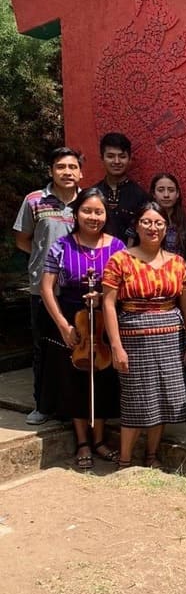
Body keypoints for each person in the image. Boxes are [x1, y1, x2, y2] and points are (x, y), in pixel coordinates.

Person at [102, 201, 186, 469]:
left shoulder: (178, 263)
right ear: (137, 225)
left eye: (158, 223)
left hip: (171, 339)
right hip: (133, 340)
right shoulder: (120, 259)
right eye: (146, 222)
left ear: (167, 228)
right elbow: (109, 304)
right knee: (135, 400)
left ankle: (152, 457)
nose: (152, 227)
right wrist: (116, 346)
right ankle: (124, 460)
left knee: (164, 399)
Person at [38, 188, 126, 468]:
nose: (93, 216)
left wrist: (104, 298)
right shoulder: (61, 246)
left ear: (106, 214)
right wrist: (63, 325)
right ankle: (82, 442)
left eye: (98, 211)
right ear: (76, 214)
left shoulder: (118, 247)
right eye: (87, 210)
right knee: (74, 380)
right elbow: (46, 288)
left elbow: (125, 286)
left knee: (102, 380)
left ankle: (99, 440)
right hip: (72, 318)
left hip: (104, 321)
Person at [13, 146, 83, 424]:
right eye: (61, 167)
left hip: (75, 289)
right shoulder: (34, 200)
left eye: (72, 167)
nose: (67, 172)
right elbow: (22, 240)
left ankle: (70, 408)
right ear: (51, 170)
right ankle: (42, 405)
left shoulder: (86, 203)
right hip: (42, 289)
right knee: (43, 347)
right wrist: (46, 264)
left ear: (81, 172)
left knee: (74, 347)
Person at [94, 133, 147, 243]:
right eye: (110, 156)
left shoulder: (140, 196)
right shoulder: (93, 194)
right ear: (102, 158)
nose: (117, 161)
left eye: (122, 156)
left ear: (129, 159)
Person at [150, 173, 186, 258]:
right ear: (153, 194)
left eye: (171, 190)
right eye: (161, 190)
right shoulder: (143, 221)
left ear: (177, 194)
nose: (166, 195)